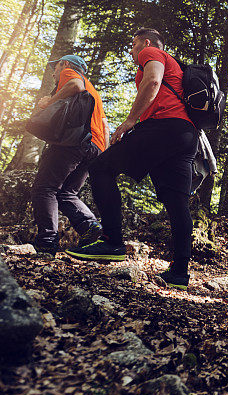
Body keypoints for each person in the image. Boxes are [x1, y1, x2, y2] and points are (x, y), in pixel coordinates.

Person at [66, 28, 199, 291]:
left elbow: (152, 82)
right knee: (177, 202)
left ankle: (112, 241)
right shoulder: (177, 67)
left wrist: (130, 120)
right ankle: (180, 272)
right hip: (186, 135)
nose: (132, 50)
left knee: (101, 167)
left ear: (146, 43)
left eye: (134, 44)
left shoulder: (152, 51)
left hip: (164, 127)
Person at [31, 55, 108, 254]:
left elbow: (75, 84)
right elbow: (105, 126)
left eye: (55, 69)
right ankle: (89, 227)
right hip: (95, 147)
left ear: (64, 64)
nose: (55, 74)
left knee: (45, 188)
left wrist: (49, 102)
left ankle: (46, 242)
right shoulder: (95, 92)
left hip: (73, 143)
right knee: (66, 192)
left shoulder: (70, 73)